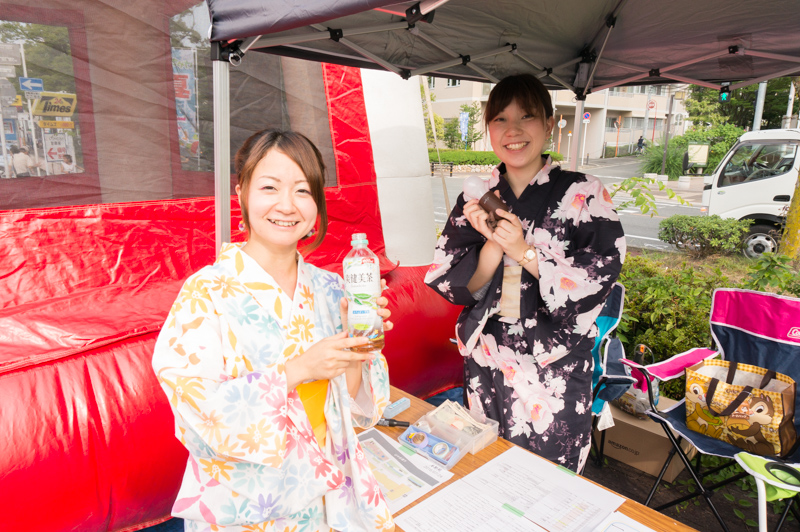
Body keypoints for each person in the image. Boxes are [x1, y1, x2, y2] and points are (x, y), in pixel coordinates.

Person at [152, 129, 395, 532]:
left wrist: (357, 345)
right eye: (269, 187)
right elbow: (198, 408)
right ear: (242, 192)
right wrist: (298, 370)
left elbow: (347, 404)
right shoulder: (206, 292)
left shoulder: (332, 288)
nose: (287, 205)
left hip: (326, 491)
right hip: (251, 505)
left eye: (302, 191)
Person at [425, 74, 626, 472]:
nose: (512, 131)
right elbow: (454, 280)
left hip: (554, 362)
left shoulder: (584, 192)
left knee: (550, 474)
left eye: (526, 117)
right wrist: (493, 245)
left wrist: (523, 250)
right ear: (488, 128)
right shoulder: (476, 196)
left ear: (549, 124)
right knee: (486, 462)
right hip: (488, 352)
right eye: (500, 119)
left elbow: (599, 273)